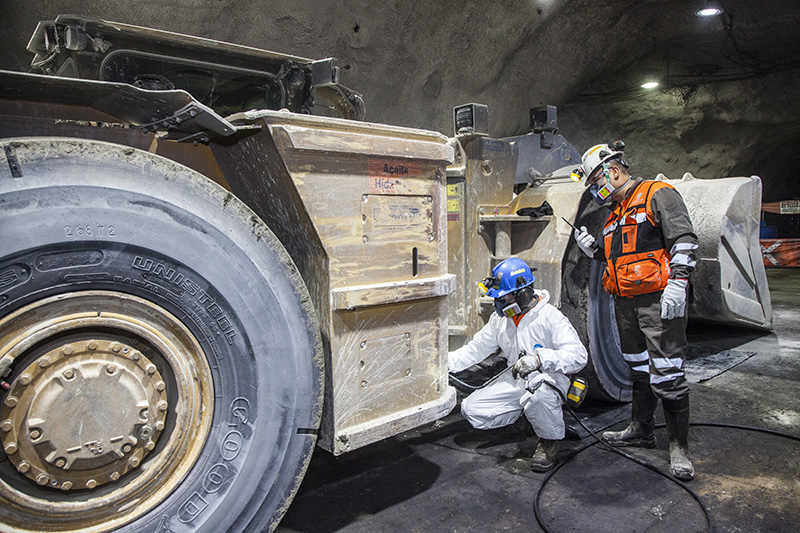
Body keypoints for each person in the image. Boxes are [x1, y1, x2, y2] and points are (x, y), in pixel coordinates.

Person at [571, 141, 698, 480]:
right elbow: (621, 259)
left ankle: (679, 449)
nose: (595, 190)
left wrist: (678, 282)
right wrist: (594, 251)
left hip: (658, 301)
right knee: (639, 368)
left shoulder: (657, 194)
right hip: (625, 303)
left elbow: (684, 239)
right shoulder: (615, 214)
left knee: (668, 371)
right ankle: (641, 429)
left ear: (613, 171)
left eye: (596, 181)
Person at [448, 257, 587, 472]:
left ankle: (548, 442)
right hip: (517, 378)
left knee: (539, 395)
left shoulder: (550, 317)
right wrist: (444, 365)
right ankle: (531, 417)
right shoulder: (501, 320)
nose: (499, 304)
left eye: (504, 297)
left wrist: (539, 360)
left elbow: (578, 356)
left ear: (524, 294)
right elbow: (476, 349)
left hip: (547, 378)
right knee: (472, 409)